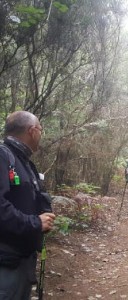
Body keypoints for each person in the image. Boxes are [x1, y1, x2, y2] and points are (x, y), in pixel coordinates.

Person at [0, 111, 56, 299]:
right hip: (6, 261)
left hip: (23, 258)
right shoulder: (3, 156)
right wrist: (34, 223)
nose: (41, 134)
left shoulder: (23, 161)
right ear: (32, 131)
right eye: (41, 129)